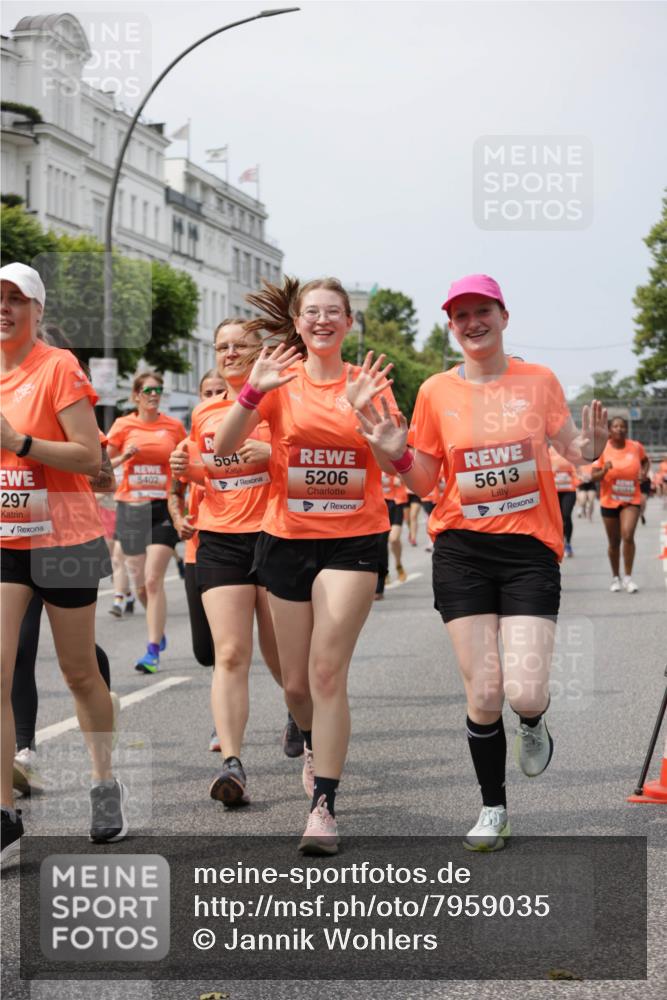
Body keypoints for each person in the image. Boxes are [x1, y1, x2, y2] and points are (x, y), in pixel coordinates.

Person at [355, 274, 607, 852]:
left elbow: (574, 450)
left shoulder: (538, 381)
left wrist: (590, 449)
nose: (473, 323)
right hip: (462, 550)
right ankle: (494, 807)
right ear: (451, 326)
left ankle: (533, 720)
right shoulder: (436, 392)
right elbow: (425, 481)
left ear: (503, 316)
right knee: (486, 691)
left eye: (482, 311)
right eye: (461, 315)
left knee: (524, 692)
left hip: (529, 551)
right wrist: (396, 454)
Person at [213, 277, 396, 854]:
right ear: (297, 323)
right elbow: (222, 447)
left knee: (325, 673)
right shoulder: (278, 380)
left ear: (348, 323)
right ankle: (312, 743)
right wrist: (251, 392)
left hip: (353, 540)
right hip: (287, 540)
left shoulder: (367, 383)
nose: (322, 320)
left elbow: (397, 458)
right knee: (295, 685)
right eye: (311, 311)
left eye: (333, 311)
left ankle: (324, 808)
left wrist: (372, 419)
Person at [1, 262, 128, 866]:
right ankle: (4, 814)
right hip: (6, 539)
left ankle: (104, 783)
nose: (4, 308)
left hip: (66, 540)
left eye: (16, 299)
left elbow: (89, 457)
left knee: (79, 672)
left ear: (38, 310)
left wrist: (18, 442)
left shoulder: (57, 367)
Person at [171, 319, 288, 806]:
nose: (230, 352)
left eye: (241, 345)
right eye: (222, 346)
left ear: (261, 350)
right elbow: (213, 473)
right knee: (231, 652)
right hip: (219, 539)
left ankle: (301, 714)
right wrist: (187, 470)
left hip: (275, 535)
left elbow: (307, 456)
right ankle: (232, 764)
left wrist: (274, 452)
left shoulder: (280, 402)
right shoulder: (204, 412)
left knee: (283, 657)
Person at [106, 373, 186, 673]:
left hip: (162, 508)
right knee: (139, 584)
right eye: (148, 390)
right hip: (131, 508)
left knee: (153, 580)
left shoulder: (174, 427)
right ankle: (157, 626)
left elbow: (186, 463)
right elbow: (102, 464)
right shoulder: (123, 425)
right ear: (136, 395)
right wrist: (123, 457)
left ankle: (152, 651)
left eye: (158, 390)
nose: (154, 394)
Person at [168, 369, 224, 674]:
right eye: (208, 393)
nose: (214, 398)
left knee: (228, 648)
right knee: (205, 651)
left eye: (220, 392)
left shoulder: (248, 435)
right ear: (199, 398)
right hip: (197, 550)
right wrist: (179, 521)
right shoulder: (185, 447)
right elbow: (174, 493)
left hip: (239, 544)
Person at [592, 416, 649, 593]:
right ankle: (615, 577)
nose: (619, 429)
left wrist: (644, 474)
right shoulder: (602, 449)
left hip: (631, 499)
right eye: (615, 426)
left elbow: (645, 461)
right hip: (609, 500)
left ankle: (628, 578)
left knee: (628, 535)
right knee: (614, 542)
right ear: (609, 430)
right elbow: (593, 476)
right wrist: (604, 470)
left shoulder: (636, 447)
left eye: (622, 426)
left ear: (626, 429)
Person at [549, 445, 578, 557]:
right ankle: (559, 543)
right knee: (557, 519)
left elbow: (577, 469)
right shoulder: (548, 452)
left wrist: (578, 479)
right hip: (554, 491)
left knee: (566, 516)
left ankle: (568, 543)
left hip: (569, 490)